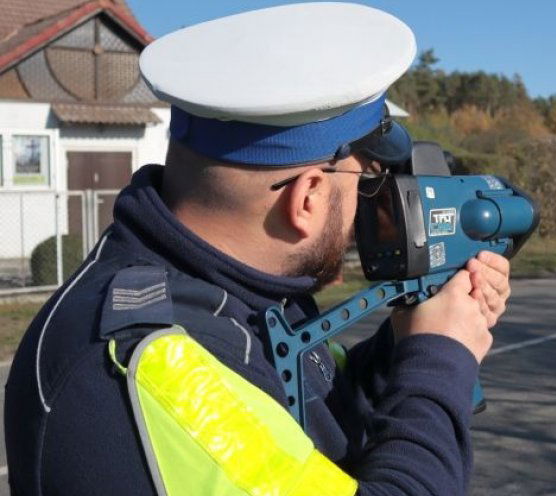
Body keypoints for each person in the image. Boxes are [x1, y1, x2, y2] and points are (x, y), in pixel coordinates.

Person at [4, 4, 511, 495]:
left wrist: (407, 342)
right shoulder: (158, 364)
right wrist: (440, 362)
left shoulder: (235, 295)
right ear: (307, 197)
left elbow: (310, 423)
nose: (363, 207)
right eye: (360, 185)